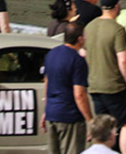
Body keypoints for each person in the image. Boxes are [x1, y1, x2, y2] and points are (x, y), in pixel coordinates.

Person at [85, 0, 126, 154]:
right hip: (114, 86)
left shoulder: (89, 27)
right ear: (116, 7)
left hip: (94, 85)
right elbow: (123, 59)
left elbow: (84, 54)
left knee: (102, 128)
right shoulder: (117, 29)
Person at [43, 21, 93, 154]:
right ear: (79, 39)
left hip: (52, 113)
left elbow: (47, 83)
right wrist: (90, 120)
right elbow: (79, 95)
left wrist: (46, 110)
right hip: (70, 117)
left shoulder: (51, 54)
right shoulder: (77, 61)